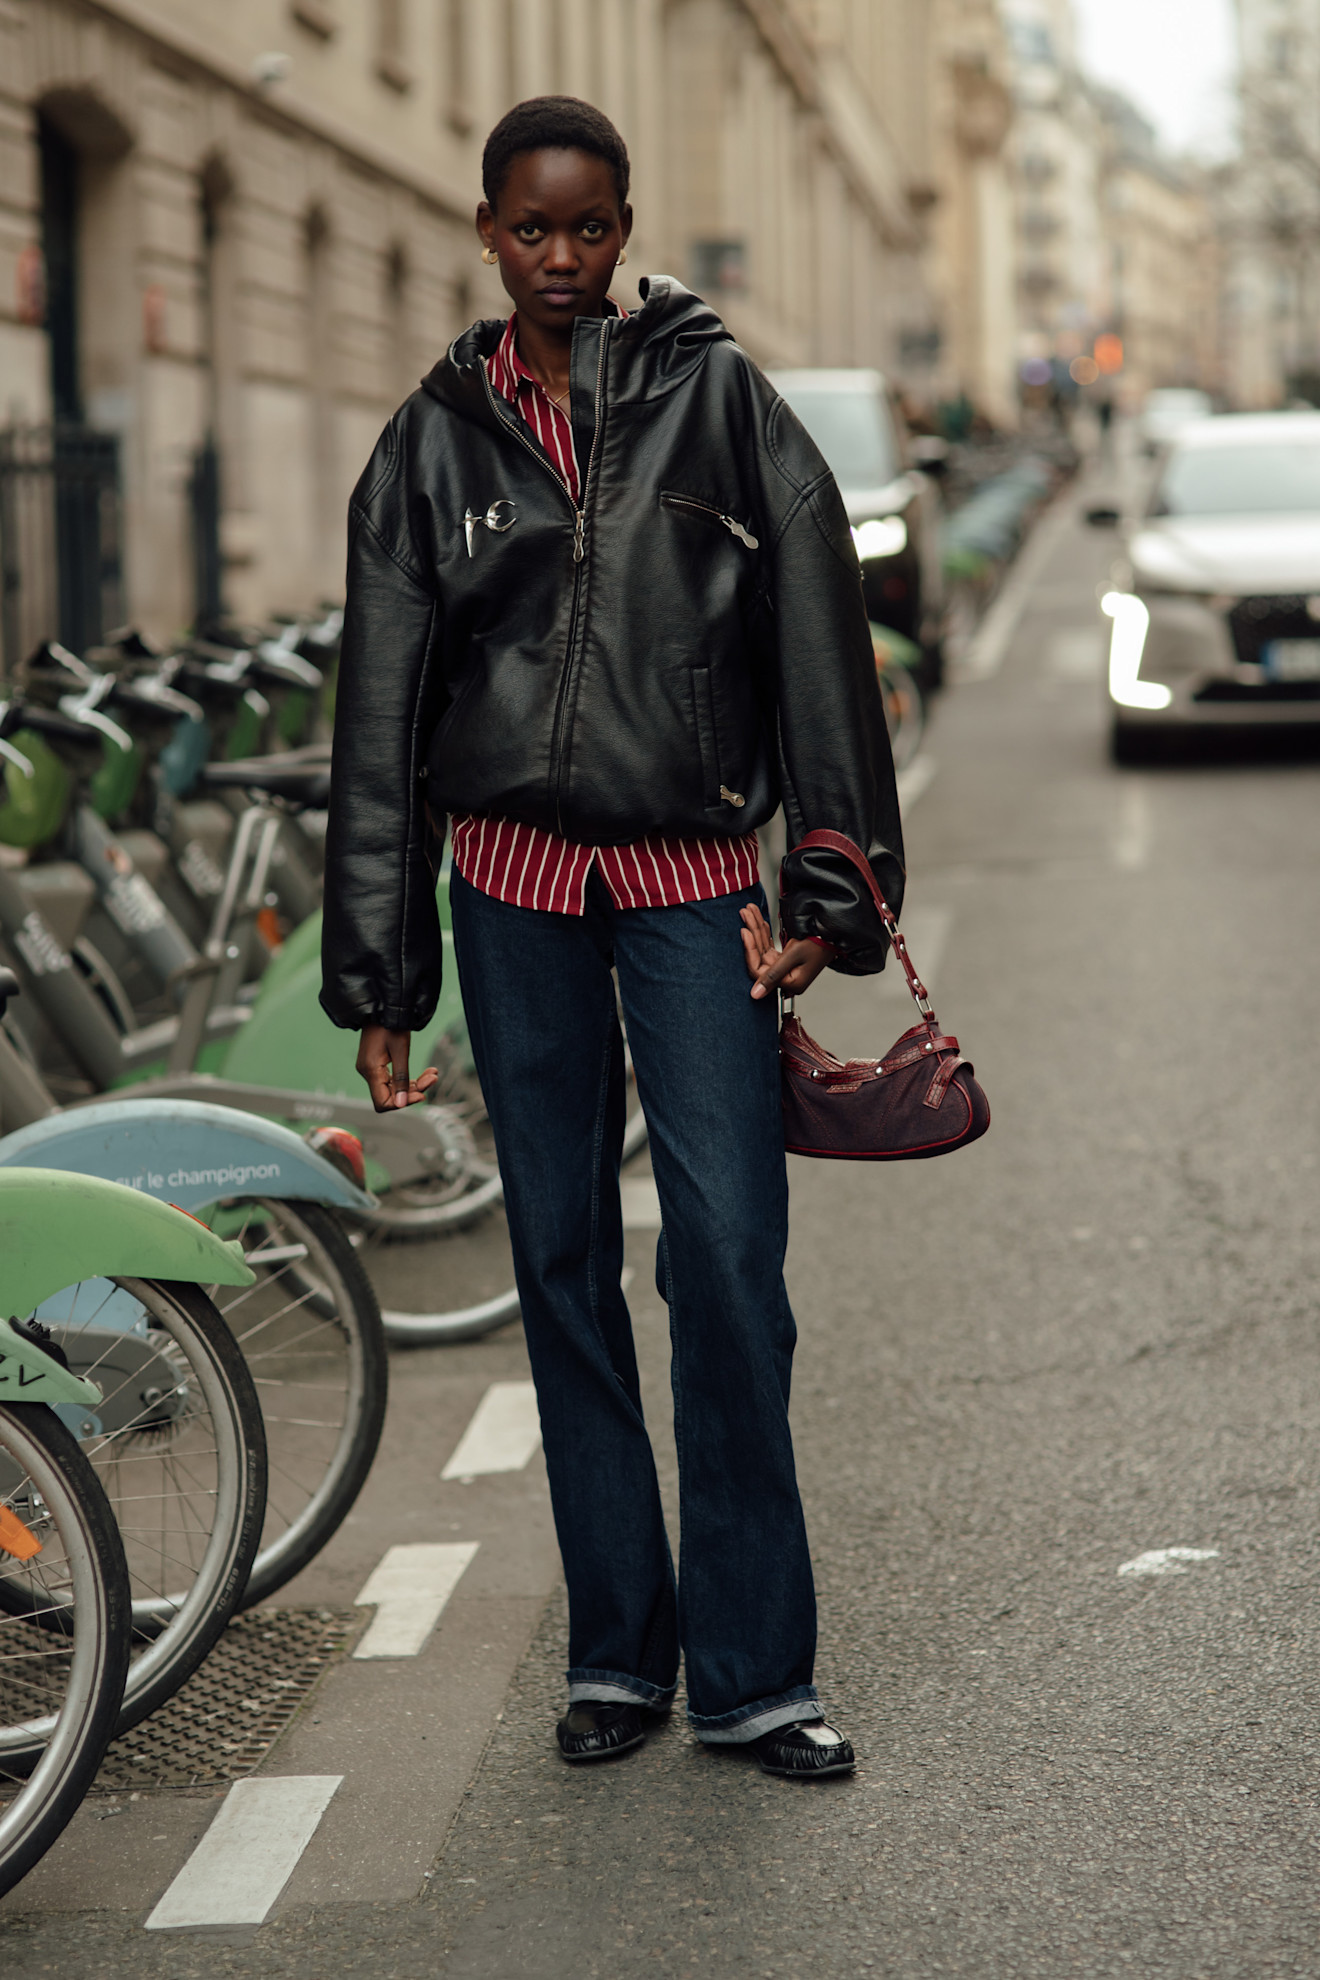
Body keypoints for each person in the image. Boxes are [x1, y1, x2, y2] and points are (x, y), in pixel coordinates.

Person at [321, 96, 904, 1780]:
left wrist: (830, 891)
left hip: (695, 894)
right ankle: (617, 1655)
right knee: (560, 1265)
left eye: (589, 229)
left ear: (626, 224)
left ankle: (754, 1671)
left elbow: (820, 642)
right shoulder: (433, 441)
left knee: (726, 1258)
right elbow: (382, 711)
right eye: (530, 230)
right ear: (489, 231)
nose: (562, 261)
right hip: (509, 896)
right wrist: (381, 971)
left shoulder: (724, 406)